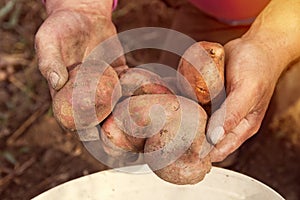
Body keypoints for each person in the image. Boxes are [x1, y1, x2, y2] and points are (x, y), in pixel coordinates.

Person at [35, 0, 300, 163]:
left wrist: (272, 44)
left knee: (251, 89)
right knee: (194, 128)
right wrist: (82, 6)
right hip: (210, 9)